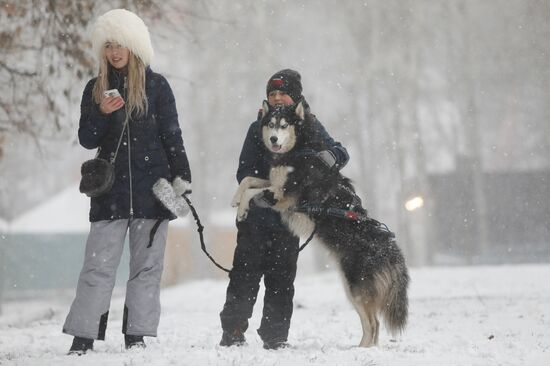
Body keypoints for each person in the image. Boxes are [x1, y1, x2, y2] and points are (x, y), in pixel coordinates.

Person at [63, 9, 191, 355]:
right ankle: (83, 336)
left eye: (120, 44)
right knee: (98, 265)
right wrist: (102, 114)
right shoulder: (96, 88)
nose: (114, 52)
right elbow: (87, 139)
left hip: (153, 190)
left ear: (135, 46)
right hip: (110, 192)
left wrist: (182, 177)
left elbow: (172, 135)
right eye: (108, 45)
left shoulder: (157, 86)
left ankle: (137, 334)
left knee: (148, 267)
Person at [219, 69, 349, 349]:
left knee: (282, 278)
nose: (277, 97)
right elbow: (245, 170)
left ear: (296, 97)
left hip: (288, 218)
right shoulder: (258, 128)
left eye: (283, 93)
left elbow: (341, 153)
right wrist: (266, 188)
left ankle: (275, 336)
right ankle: (233, 329)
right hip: (255, 216)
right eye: (272, 93)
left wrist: (327, 157)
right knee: (245, 273)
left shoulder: (310, 126)